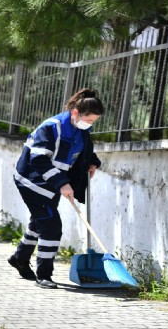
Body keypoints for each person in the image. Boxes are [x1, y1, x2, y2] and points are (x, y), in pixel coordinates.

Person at [8, 88, 104, 289]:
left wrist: (92, 162)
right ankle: (44, 274)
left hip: (52, 184)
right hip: (32, 181)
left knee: (40, 221)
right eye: (90, 120)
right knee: (52, 227)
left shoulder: (81, 129)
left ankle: (20, 258)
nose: (90, 125)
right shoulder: (52, 127)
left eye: (94, 122)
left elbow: (85, 147)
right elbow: (39, 160)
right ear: (76, 113)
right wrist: (62, 183)